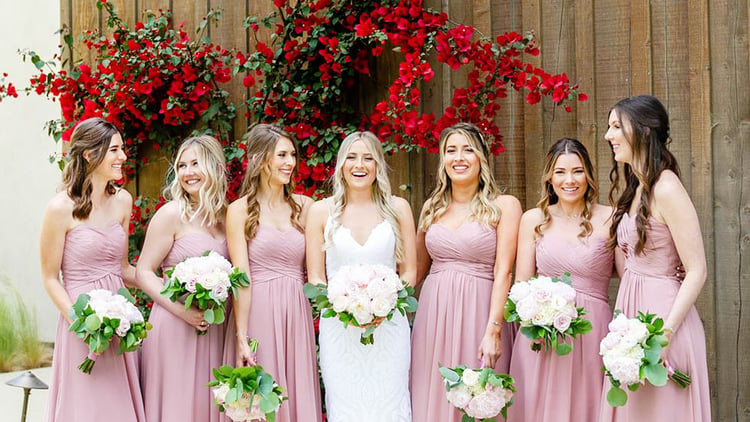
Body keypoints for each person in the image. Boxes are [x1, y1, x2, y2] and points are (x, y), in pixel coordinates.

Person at [599, 95, 710, 421]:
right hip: (630, 317)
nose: (608, 135)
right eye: (608, 126)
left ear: (645, 131)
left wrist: (663, 337)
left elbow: (697, 270)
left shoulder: (666, 187)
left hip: (663, 321)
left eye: (616, 126)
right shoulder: (636, 189)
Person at [409, 122, 521, 422]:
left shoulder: (504, 206)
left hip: (480, 313)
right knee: (430, 394)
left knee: (478, 397)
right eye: (451, 151)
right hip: (433, 317)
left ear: (482, 158)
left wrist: (494, 329)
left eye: (467, 150)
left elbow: (504, 272)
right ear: (443, 161)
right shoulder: (432, 206)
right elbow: (415, 272)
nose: (459, 158)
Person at [306, 131, 417, 421]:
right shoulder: (320, 212)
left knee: (390, 404)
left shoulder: (398, 208)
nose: (360, 164)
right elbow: (316, 277)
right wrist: (345, 307)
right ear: (341, 164)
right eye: (352, 157)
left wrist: (385, 303)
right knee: (345, 405)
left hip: (388, 325)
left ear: (378, 165)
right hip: (339, 328)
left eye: (368, 158)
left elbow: (409, 272)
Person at [40, 117, 145, 421]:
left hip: (120, 323)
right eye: (115, 150)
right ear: (90, 154)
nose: (123, 157)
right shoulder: (60, 208)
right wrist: (81, 321)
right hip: (80, 320)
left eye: (122, 149)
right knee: (86, 405)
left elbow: (124, 268)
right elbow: (50, 277)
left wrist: (168, 288)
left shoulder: (123, 201)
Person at [505, 138, 614, 421]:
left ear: (589, 175)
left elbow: (631, 276)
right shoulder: (533, 219)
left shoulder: (611, 218)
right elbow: (521, 287)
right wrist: (537, 314)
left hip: (594, 333)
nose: (570, 180)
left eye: (577, 171)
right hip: (543, 336)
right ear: (549, 178)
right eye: (561, 172)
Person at [222, 124, 321, 422]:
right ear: (260, 159)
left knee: (296, 389)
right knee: (261, 397)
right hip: (258, 311)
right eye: (282, 155)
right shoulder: (239, 210)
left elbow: (316, 271)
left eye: (292, 154)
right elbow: (241, 277)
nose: (290, 162)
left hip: (296, 311)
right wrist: (241, 334)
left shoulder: (306, 207)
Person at [136, 135, 229, 422]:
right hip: (174, 326)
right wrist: (182, 311)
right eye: (182, 165)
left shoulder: (228, 216)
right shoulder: (172, 214)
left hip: (215, 329)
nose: (188, 172)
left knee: (208, 407)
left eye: (195, 164)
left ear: (214, 167)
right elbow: (143, 272)